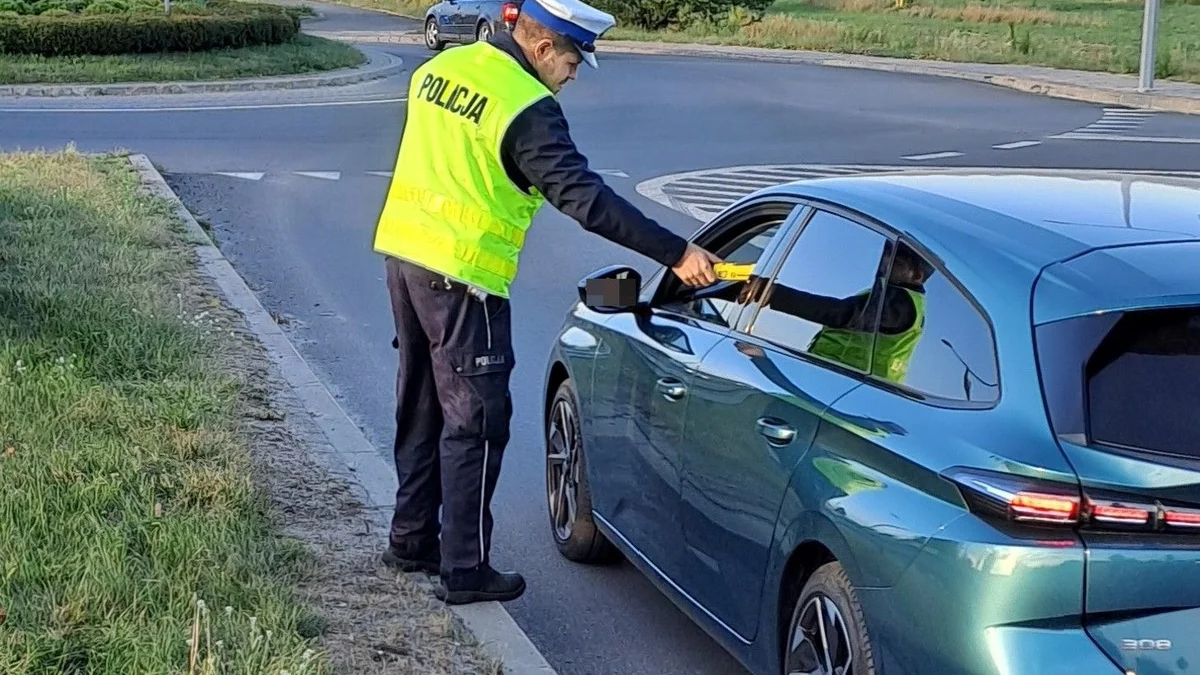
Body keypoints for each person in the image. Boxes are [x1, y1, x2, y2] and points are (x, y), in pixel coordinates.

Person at [370, 0, 721, 606]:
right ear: (540, 47)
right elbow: (586, 201)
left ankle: (410, 539)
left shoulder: (446, 67)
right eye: (573, 58)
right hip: (464, 276)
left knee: (421, 406)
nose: (575, 72)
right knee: (476, 424)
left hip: (404, 257)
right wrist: (675, 252)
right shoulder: (527, 109)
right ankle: (464, 568)